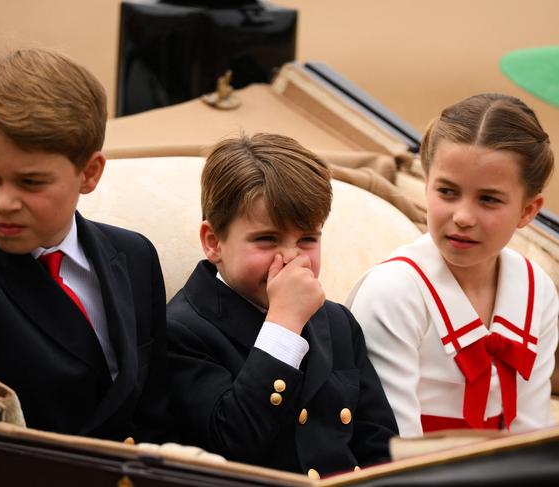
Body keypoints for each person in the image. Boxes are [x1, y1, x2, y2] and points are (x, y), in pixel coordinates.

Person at [0, 48, 173, 442]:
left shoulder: (134, 256)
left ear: (89, 173)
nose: (4, 203)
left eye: (30, 182)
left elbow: (158, 407)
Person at [166, 133, 398, 478]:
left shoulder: (336, 322)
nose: (291, 257)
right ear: (213, 242)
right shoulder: (181, 330)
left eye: (307, 239)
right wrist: (283, 323)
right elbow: (233, 441)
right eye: (266, 239)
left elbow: (381, 447)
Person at [347, 93, 558, 437]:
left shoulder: (538, 290)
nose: (462, 217)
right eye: (447, 192)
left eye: (488, 199)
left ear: (528, 211)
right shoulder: (394, 292)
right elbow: (393, 447)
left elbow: (530, 431)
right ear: (426, 186)